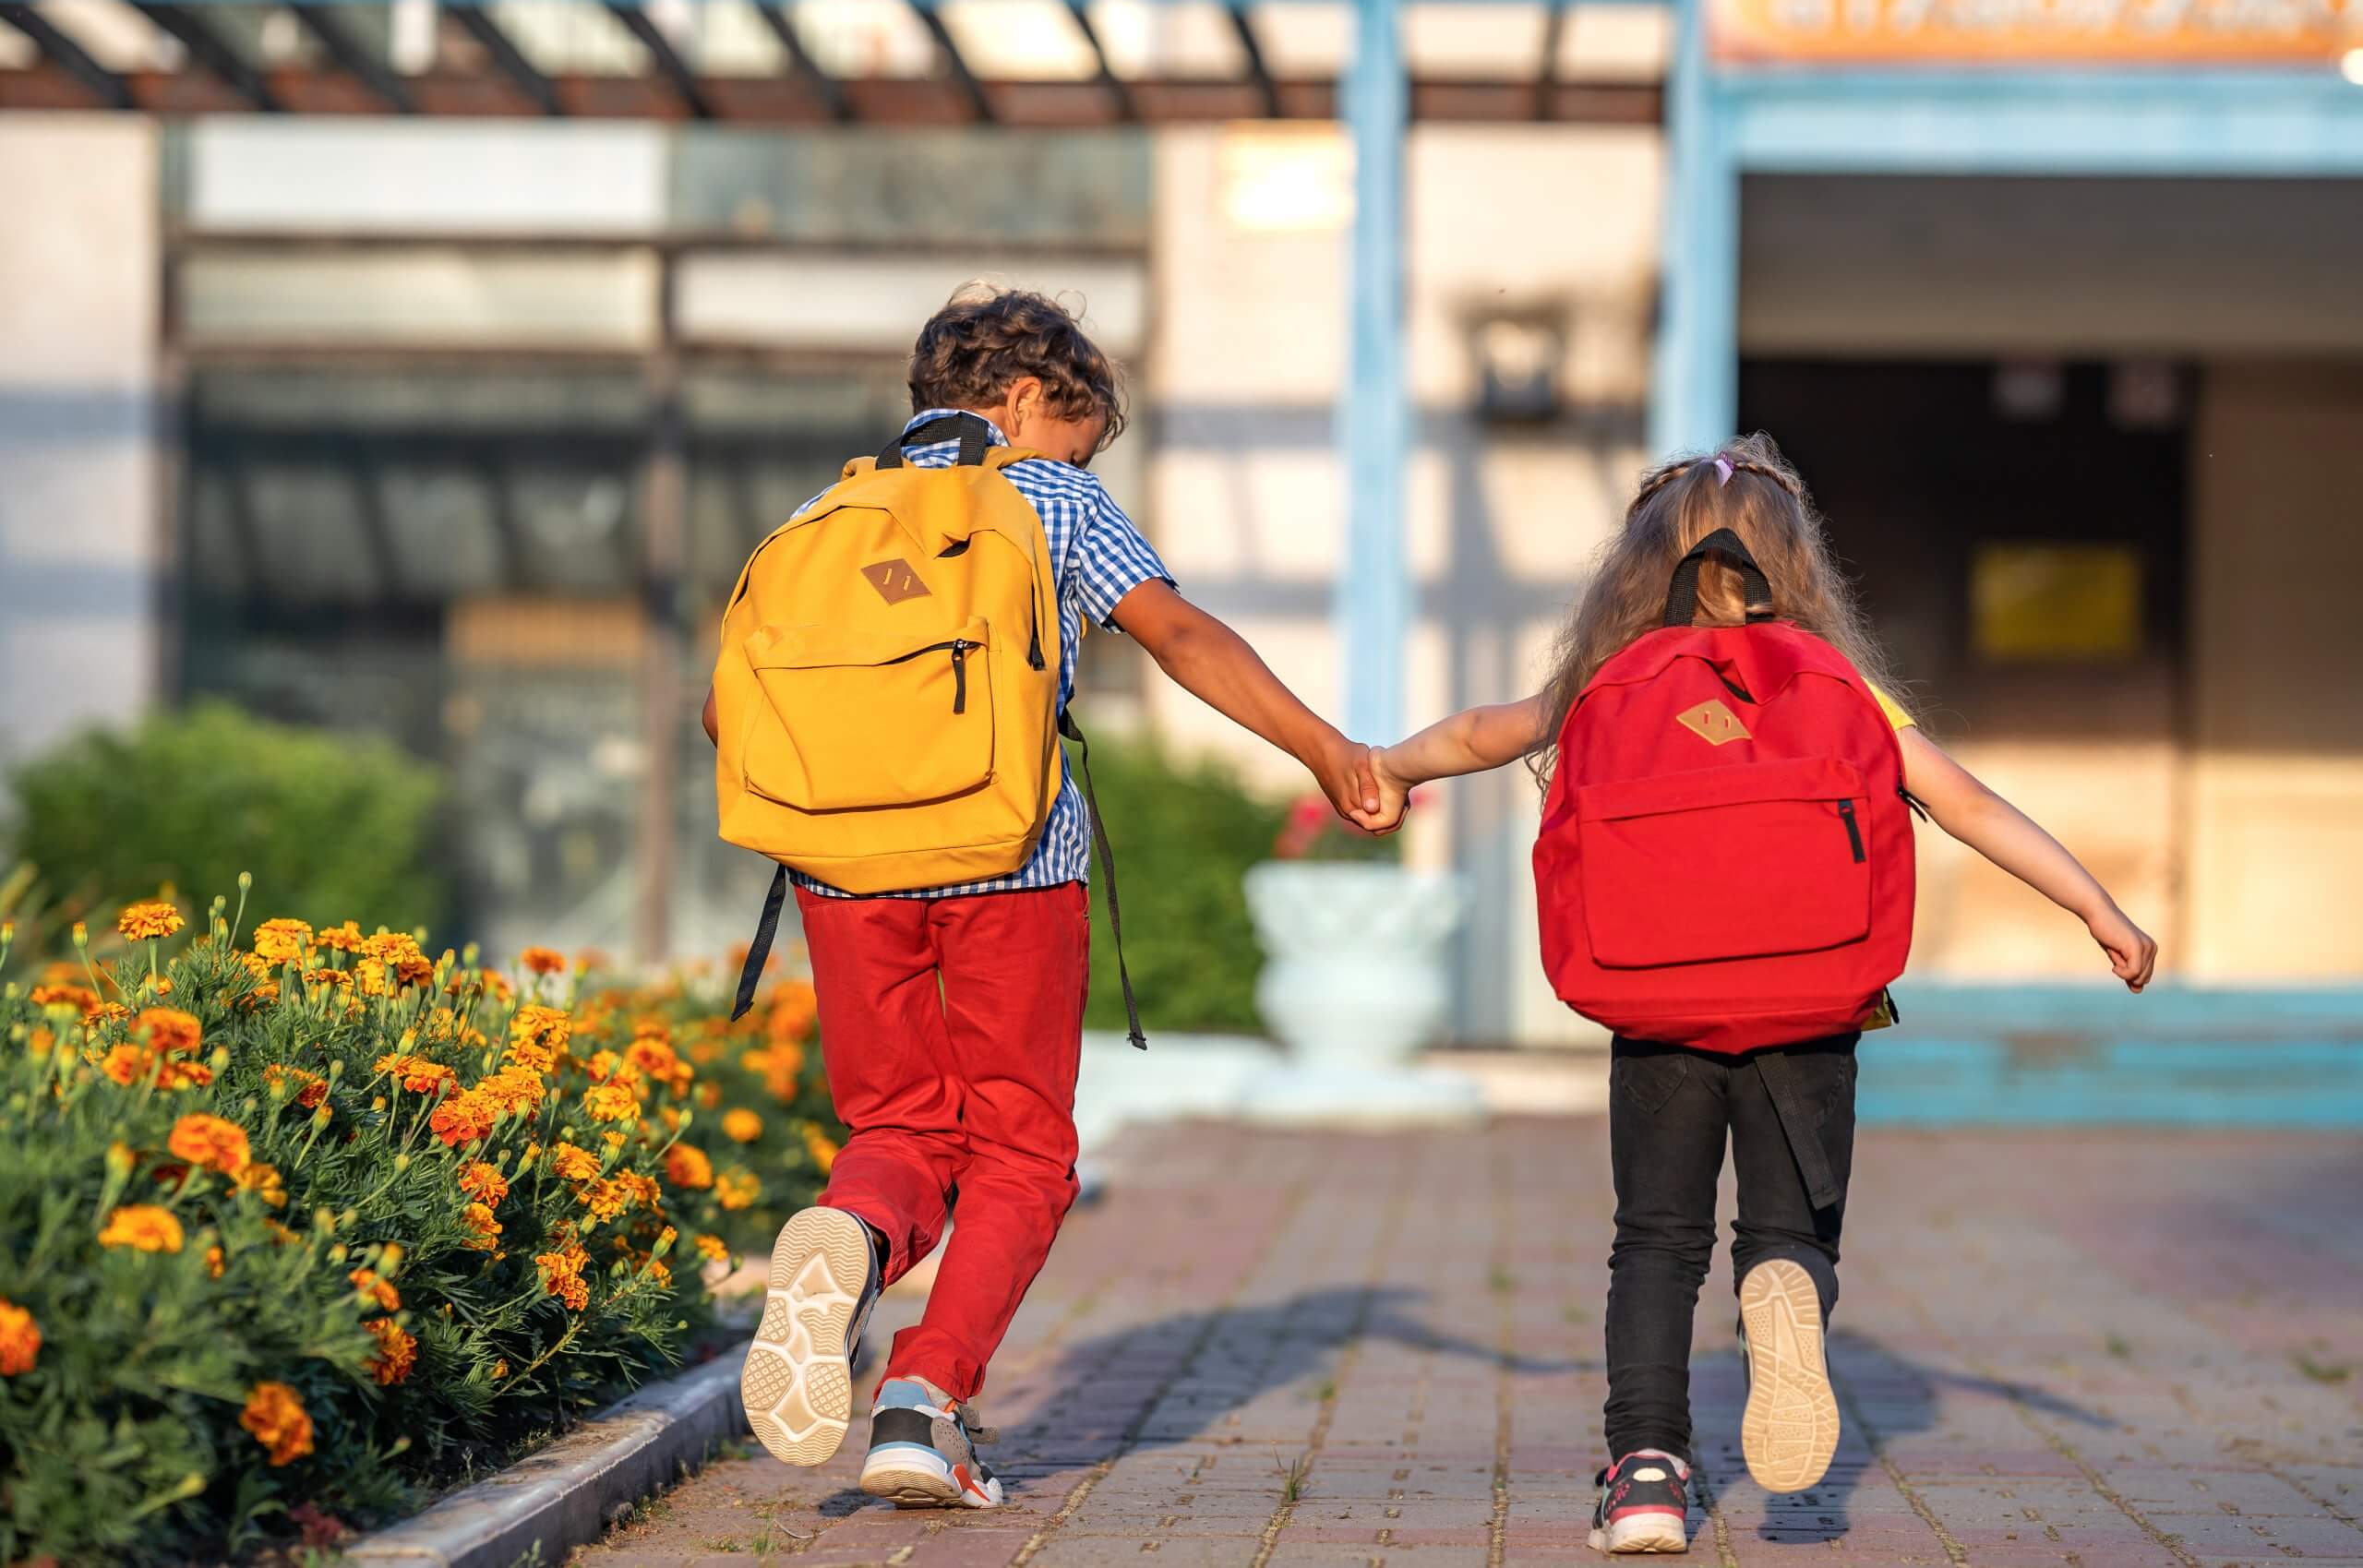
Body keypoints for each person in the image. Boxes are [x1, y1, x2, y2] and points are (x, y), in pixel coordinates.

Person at [1360, 433, 2156, 1554]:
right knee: (1784, 1227)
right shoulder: (1842, 689)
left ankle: (1645, 1473)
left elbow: (1475, 735)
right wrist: (2096, 907)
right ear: (1799, 566)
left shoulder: (1603, 682)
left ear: (1637, 568)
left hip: (1657, 1002)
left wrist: (1386, 770)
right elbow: (1969, 806)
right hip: (1812, 1001)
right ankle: (1784, 1278)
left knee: (1654, 1244)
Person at [703, 283, 1383, 1509]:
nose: (1084, 454)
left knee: (896, 1130)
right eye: (1079, 425)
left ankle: (851, 1238)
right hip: (1011, 857)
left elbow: (725, 712)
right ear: (1020, 400)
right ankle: (924, 1400)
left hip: (839, 873)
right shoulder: (1049, 495)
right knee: (1021, 1147)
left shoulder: (824, 510)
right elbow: (1178, 635)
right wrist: (1323, 747)